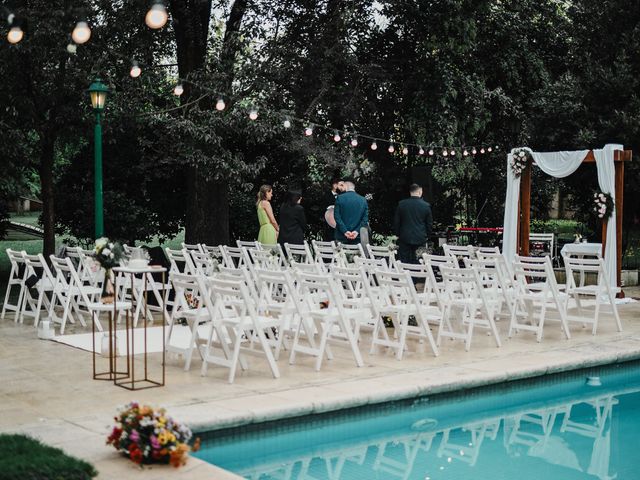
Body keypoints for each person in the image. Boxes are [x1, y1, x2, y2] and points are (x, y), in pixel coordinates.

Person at [393, 183, 433, 264]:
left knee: (404, 262)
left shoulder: (401, 204)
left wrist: (397, 234)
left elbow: (397, 222)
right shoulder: (426, 206)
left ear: (410, 192)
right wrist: (428, 235)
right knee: (419, 261)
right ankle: (418, 276)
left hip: (404, 237)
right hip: (420, 237)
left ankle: (405, 275)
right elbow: (429, 224)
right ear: (419, 192)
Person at [334, 180, 368, 245]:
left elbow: (337, 217)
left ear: (345, 186)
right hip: (358, 236)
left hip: (341, 236)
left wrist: (345, 231)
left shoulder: (340, 198)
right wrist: (357, 231)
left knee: (340, 254)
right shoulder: (363, 200)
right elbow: (365, 219)